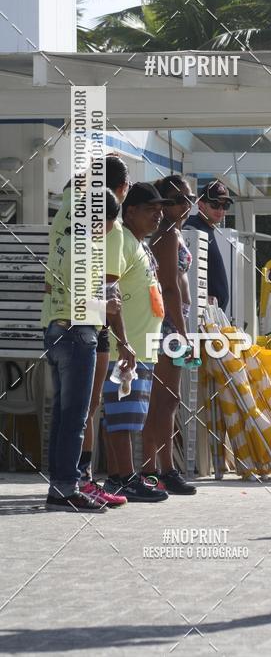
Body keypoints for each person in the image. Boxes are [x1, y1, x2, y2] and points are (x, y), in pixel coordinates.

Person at [44, 189, 123, 512]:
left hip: (55, 329)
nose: (107, 230)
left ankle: (59, 483)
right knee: (76, 415)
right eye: (108, 223)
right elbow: (82, 301)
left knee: (63, 415)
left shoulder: (63, 241)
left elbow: (51, 286)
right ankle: (65, 487)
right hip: (78, 334)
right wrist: (108, 305)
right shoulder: (87, 248)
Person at [102, 182, 174, 503]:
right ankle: (125, 478)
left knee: (129, 415)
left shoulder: (139, 243)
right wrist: (122, 342)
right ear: (129, 211)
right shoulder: (121, 237)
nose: (158, 216)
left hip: (143, 346)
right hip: (127, 347)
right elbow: (109, 291)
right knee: (122, 415)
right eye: (150, 210)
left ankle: (120, 476)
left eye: (160, 211)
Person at [78, 155, 130, 507]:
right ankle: (80, 478)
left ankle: (77, 477)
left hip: (74, 319)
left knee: (81, 406)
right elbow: (109, 289)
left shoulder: (78, 214)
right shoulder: (110, 226)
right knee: (87, 405)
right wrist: (124, 341)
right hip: (92, 322)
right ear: (121, 189)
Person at [142, 175, 197, 494]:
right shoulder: (167, 235)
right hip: (169, 324)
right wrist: (184, 333)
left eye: (189, 199)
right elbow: (170, 288)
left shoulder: (171, 233)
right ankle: (159, 469)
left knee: (167, 399)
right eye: (178, 199)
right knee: (164, 399)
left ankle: (161, 468)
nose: (185, 205)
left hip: (174, 322)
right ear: (164, 204)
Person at [185, 180, 232, 311]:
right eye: (215, 204)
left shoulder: (205, 228)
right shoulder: (192, 229)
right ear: (201, 204)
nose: (221, 210)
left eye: (225, 206)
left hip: (209, 314)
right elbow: (185, 272)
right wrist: (202, 297)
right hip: (199, 313)